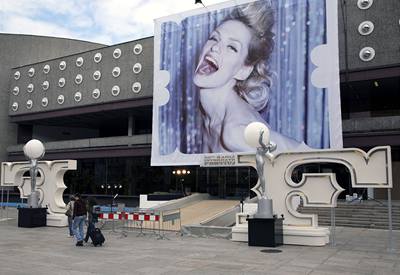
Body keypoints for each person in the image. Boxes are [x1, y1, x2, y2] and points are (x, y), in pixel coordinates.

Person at [193, 1, 309, 154]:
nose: (214, 47)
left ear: (243, 70)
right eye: (214, 38)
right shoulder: (206, 114)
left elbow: (308, 156)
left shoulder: (236, 131)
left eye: (232, 47)